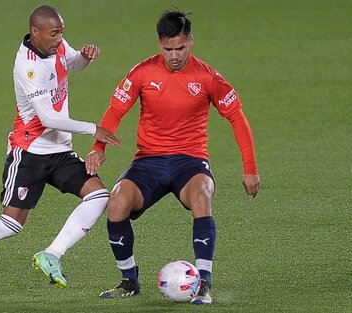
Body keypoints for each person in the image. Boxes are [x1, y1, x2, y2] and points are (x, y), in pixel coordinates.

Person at [0, 5, 120, 290]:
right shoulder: (28, 65)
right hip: (30, 152)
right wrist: (94, 129)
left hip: (59, 151)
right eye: (54, 33)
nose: (60, 38)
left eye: (62, 32)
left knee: (98, 196)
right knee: (11, 224)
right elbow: (47, 118)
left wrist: (84, 57)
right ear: (36, 32)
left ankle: (51, 254)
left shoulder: (56, 45)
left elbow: (73, 64)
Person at [86, 10, 260, 305]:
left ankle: (203, 284)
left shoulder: (207, 77)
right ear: (159, 43)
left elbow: (237, 118)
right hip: (148, 161)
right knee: (116, 202)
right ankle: (129, 281)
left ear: (190, 41)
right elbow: (115, 111)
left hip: (189, 162)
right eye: (168, 49)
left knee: (202, 197)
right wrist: (98, 148)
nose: (175, 55)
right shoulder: (142, 72)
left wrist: (250, 168)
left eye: (180, 47)